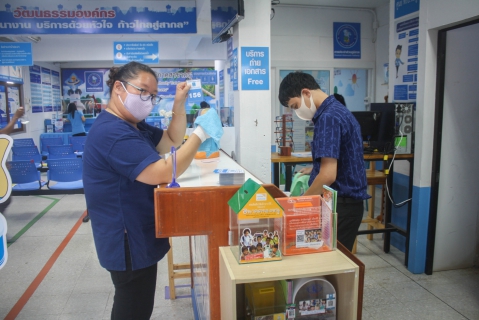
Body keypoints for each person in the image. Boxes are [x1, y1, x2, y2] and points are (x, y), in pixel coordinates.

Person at [82, 61, 220, 320]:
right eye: (143, 91)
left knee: (137, 303)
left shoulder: (133, 124)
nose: (148, 99)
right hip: (126, 237)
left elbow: (171, 141)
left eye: (153, 95)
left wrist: (179, 105)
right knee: (133, 306)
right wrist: (201, 133)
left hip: (136, 229)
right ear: (119, 88)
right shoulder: (112, 132)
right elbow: (165, 170)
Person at [278, 72, 369, 251]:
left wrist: (299, 204)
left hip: (341, 206)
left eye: (295, 106)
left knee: (331, 266)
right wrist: (315, 169)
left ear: (306, 93)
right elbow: (339, 158)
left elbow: (328, 175)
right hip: (345, 205)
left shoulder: (328, 117)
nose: (297, 112)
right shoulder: (337, 110)